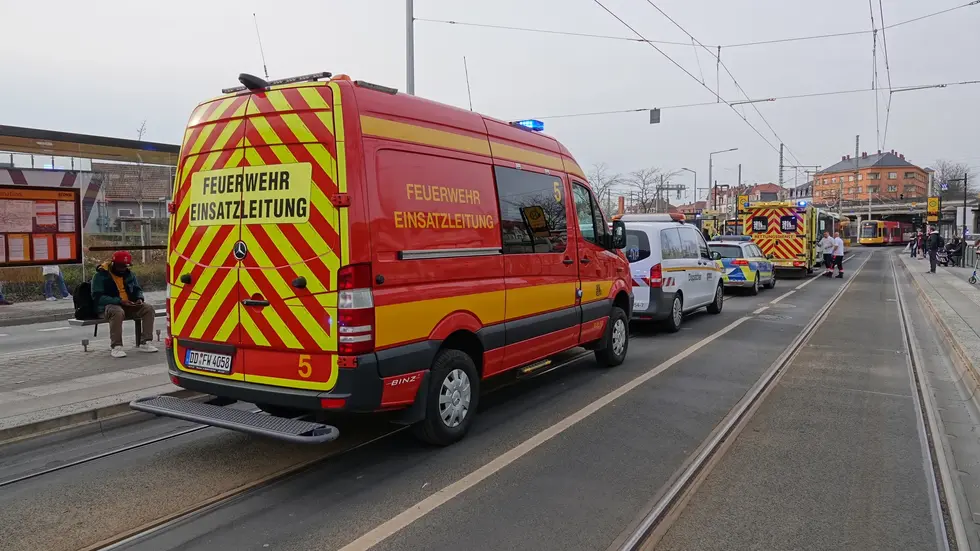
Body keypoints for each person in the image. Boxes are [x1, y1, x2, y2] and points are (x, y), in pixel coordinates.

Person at [91, 251, 158, 358]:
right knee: (117, 311)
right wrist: (119, 301)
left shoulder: (129, 274)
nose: (123, 269)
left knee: (148, 308)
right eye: (120, 266)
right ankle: (116, 347)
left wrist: (139, 298)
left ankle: (145, 342)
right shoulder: (100, 276)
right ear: (113, 264)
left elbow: (137, 289)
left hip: (128, 305)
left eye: (125, 266)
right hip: (108, 307)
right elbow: (98, 298)